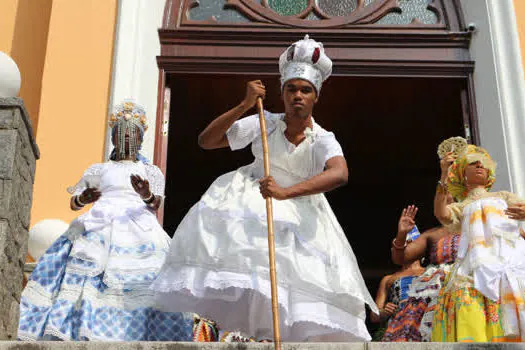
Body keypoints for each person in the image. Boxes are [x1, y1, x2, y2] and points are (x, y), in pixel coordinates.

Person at [151, 35, 378, 342]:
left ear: (315, 97)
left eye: (305, 90)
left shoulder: (322, 137)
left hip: (300, 213)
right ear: (283, 93)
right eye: (292, 89)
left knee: (293, 287)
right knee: (251, 277)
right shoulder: (263, 121)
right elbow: (207, 141)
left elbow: (339, 173)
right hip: (250, 202)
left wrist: (286, 192)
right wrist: (244, 104)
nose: (298, 95)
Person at [17, 101, 194, 341]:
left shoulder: (150, 171)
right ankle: (84, 324)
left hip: (139, 225)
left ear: (141, 139)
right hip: (100, 222)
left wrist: (145, 194)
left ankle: (141, 329)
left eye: (132, 134)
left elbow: (155, 204)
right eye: (121, 134)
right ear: (113, 138)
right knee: (88, 271)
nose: (127, 139)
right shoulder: (99, 169)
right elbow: (74, 204)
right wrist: (84, 197)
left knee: (152, 271)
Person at [432, 145, 525, 342]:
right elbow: (441, 213)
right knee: (467, 292)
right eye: (472, 164)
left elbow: (521, 211)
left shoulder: (503, 197)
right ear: (462, 174)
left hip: (510, 256)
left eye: (482, 164)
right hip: (476, 261)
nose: (479, 166)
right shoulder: (462, 206)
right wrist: (443, 174)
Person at [384, 202, 460, 342]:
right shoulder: (433, 234)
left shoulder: (479, 226)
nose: (449, 206)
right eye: (445, 201)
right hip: (436, 292)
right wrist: (401, 234)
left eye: (453, 200)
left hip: (469, 289)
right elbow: (400, 258)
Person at [371, 222, 424, 341]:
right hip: (396, 330)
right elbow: (374, 316)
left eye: (411, 244)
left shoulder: (432, 273)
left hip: (424, 327)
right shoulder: (389, 279)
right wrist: (384, 312)